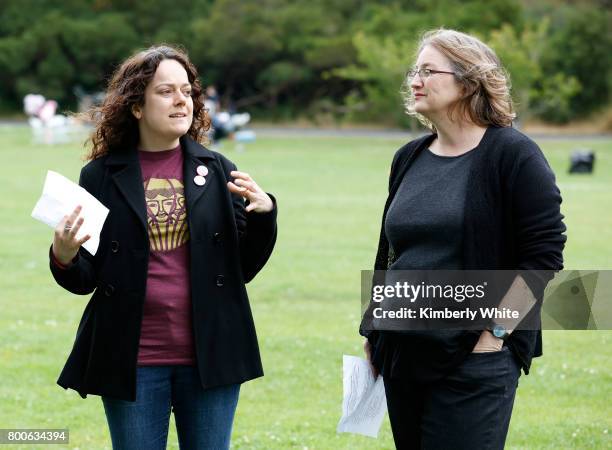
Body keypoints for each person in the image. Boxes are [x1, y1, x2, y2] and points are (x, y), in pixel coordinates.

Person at [49, 45, 278, 450]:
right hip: (130, 358)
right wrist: (64, 256)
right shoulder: (100, 175)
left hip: (212, 354)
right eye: (165, 91)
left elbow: (242, 268)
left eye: (187, 92)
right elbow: (85, 276)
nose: (180, 101)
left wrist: (264, 214)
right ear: (136, 106)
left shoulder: (217, 168)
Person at [360, 29, 566, 449]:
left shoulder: (513, 154)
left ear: (468, 81)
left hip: (474, 359)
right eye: (413, 71)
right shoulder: (409, 157)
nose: (414, 80)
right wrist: (373, 329)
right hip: (402, 353)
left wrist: (495, 334)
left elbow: (544, 257)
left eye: (427, 71)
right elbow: (391, 254)